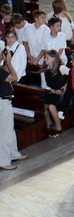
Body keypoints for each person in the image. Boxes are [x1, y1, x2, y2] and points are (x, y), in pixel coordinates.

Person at [0, 42, 27, 170]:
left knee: (9, 130)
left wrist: (6, 63)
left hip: (6, 102)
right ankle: (4, 161)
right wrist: (9, 63)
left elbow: (5, 72)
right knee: (4, 133)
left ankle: (13, 153)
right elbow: (14, 77)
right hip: (2, 103)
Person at [40, 49, 67, 138]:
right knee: (42, 105)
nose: (45, 59)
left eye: (47, 57)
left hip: (62, 94)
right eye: (44, 57)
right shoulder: (44, 70)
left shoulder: (61, 68)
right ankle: (49, 123)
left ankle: (59, 128)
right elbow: (43, 85)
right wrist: (51, 90)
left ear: (53, 58)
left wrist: (66, 85)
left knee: (51, 107)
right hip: (52, 92)